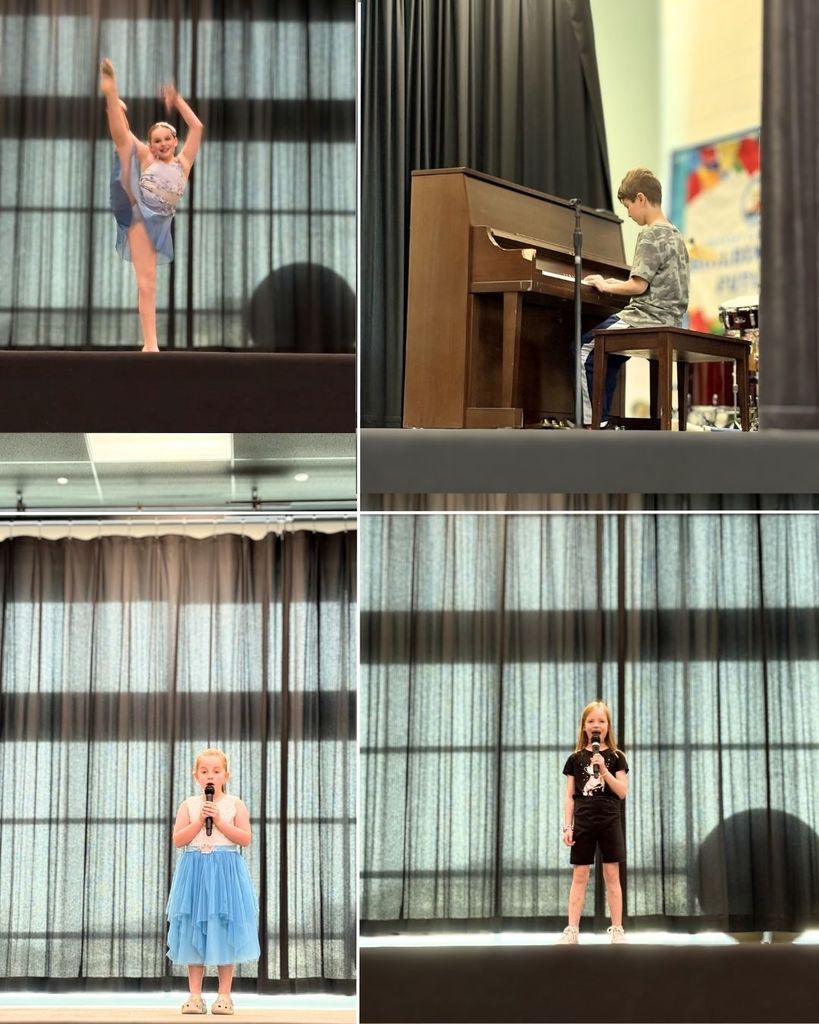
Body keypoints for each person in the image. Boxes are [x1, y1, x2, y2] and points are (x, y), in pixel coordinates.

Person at [100, 57, 203, 351]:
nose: (161, 145)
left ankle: (150, 344)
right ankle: (110, 91)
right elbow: (124, 134)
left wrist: (177, 100)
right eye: (155, 140)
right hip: (135, 211)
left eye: (166, 139)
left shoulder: (184, 162)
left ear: (174, 140)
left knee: (147, 285)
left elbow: (197, 128)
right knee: (123, 145)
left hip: (159, 225)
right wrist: (116, 110)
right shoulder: (147, 156)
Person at [581, 167, 689, 425]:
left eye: (628, 206)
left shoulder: (651, 234)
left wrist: (605, 284)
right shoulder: (676, 234)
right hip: (670, 319)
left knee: (585, 347)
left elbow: (637, 286)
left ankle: (591, 423)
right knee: (611, 355)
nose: (628, 213)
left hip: (646, 317)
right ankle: (604, 418)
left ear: (641, 198)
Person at [167, 748, 260, 1015]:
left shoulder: (235, 804)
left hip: (225, 871)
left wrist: (219, 820)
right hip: (195, 870)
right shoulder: (189, 805)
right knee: (194, 930)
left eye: (216, 771)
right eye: (204, 771)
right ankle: (195, 996)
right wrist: (199, 821)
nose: (210, 775)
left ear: (225, 775)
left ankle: (224, 995)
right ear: (196, 776)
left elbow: (244, 838)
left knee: (223, 929)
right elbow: (178, 840)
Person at [558, 700, 629, 944]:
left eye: (601, 721)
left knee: (612, 875)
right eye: (591, 721)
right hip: (584, 820)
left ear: (608, 726)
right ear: (584, 726)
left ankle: (617, 929)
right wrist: (567, 826)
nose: (596, 725)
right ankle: (572, 930)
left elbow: (622, 791)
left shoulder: (616, 756)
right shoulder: (575, 758)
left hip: (609, 819)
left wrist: (604, 770)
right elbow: (569, 796)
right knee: (580, 875)